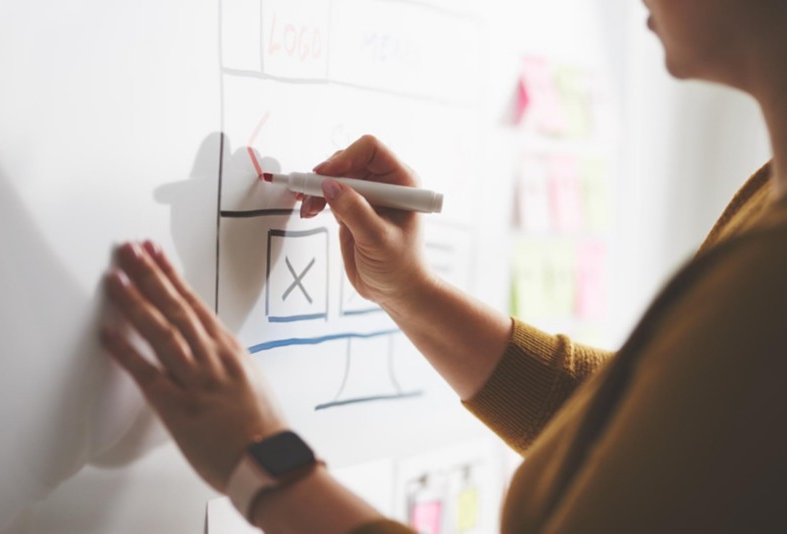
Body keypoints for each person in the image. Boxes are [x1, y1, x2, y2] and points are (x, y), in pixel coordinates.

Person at [100, 0, 787, 531]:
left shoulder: (769, 272)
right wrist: (412, 294)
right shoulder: (768, 198)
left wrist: (261, 463)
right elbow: (641, 441)